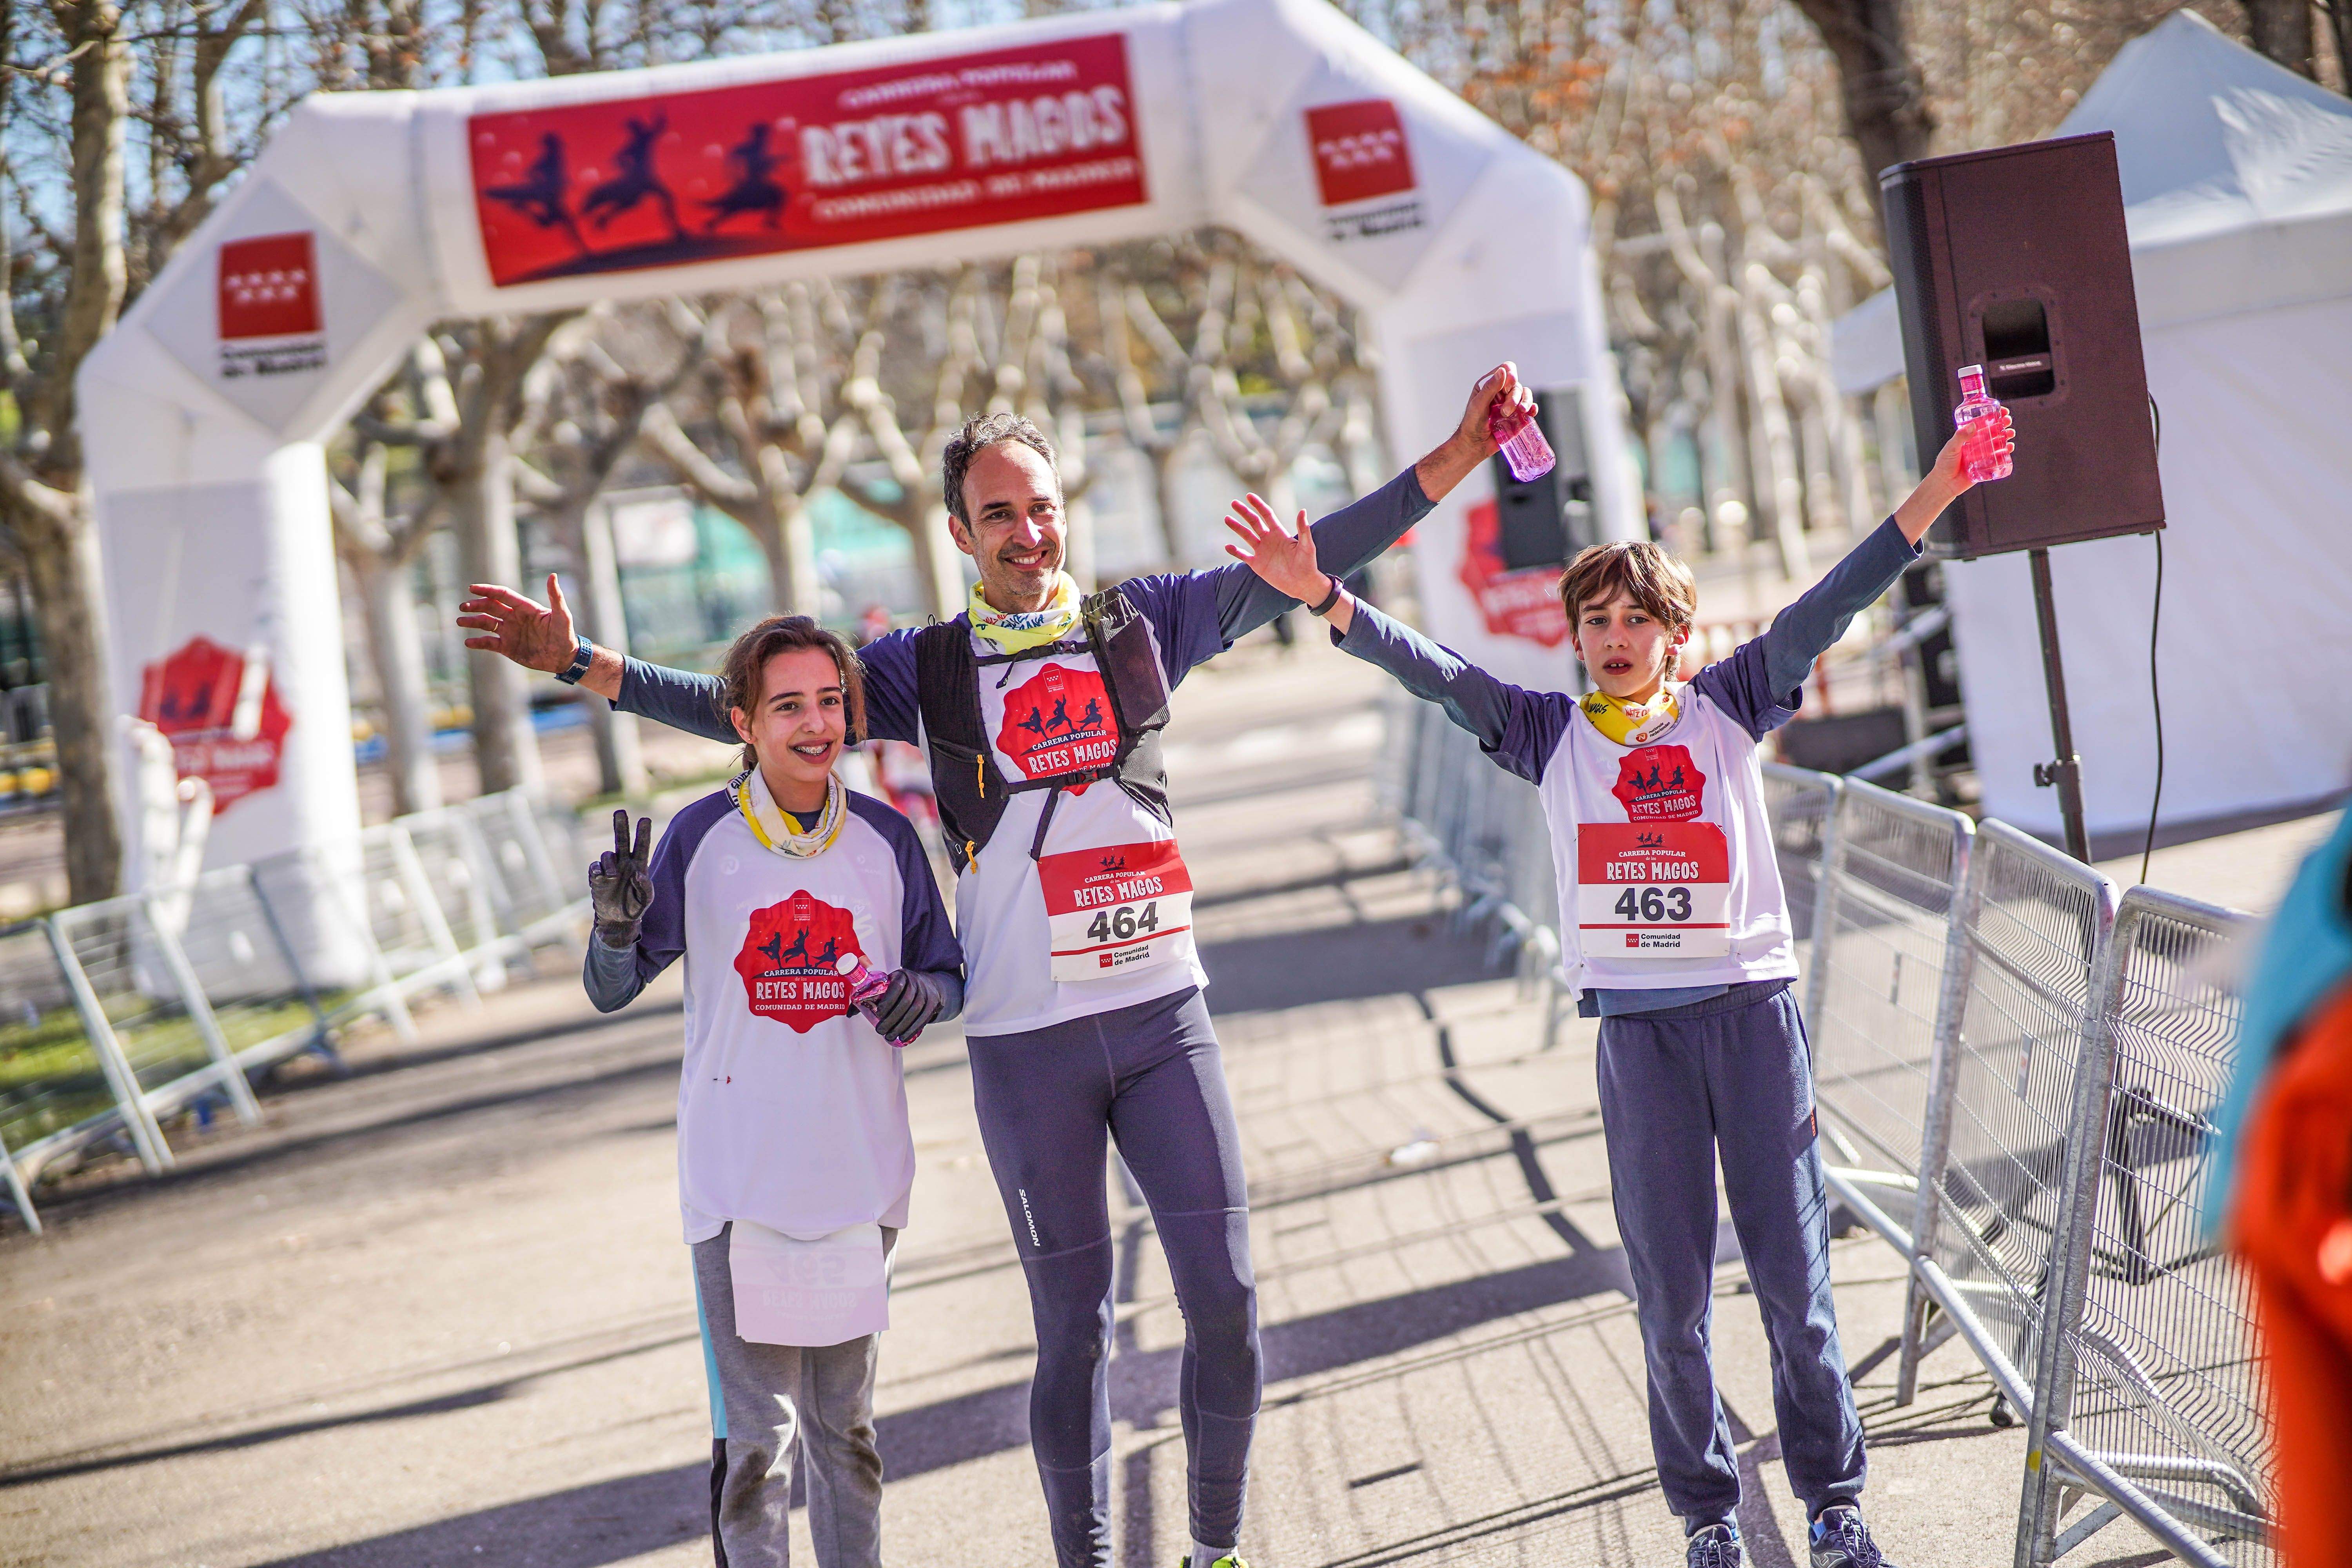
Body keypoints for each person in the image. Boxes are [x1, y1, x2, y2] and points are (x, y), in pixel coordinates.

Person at [456, 366, 1532, 1568]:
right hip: (1030, 1046)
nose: (1030, 533)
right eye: (1002, 516)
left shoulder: (1148, 622)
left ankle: (1217, 1550)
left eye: (1044, 506)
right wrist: (584, 664)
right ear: (962, 537)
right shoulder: (930, 667)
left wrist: (1457, 452)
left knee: (1226, 1306)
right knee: (1072, 1332)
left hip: (1165, 1018)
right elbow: (757, 708)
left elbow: (1317, 550)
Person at [1220, 410, 2016, 1568]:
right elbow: (1434, 672)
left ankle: (1836, 1507)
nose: (1613, 634)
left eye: (1637, 617)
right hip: (1640, 1042)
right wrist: (1326, 600)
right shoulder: (1547, 736)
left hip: (1751, 1023)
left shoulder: (1730, 707)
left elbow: (1829, 606)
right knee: (1674, 1301)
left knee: (1796, 1288)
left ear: (1678, 634)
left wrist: (1940, 487)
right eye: (1595, 620)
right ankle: (1707, 1519)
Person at [582, 614, 963, 1568]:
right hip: (736, 1185)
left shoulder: (885, 836)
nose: (816, 723)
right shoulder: (703, 835)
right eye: (788, 704)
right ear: (743, 723)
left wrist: (922, 994)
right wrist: (615, 930)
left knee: (852, 1439)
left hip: (858, 1180)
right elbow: (610, 989)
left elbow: (947, 977)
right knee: (758, 1449)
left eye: (831, 701)